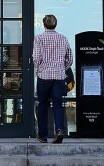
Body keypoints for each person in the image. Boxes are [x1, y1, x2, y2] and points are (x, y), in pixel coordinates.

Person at [32, 14, 73, 144]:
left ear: (44, 25)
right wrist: (61, 68)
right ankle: (59, 130)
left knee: (43, 105)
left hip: (44, 76)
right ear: (56, 24)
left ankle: (43, 135)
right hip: (59, 77)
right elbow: (70, 59)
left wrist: (39, 69)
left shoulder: (39, 38)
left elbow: (36, 58)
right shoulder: (63, 38)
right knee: (58, 104)